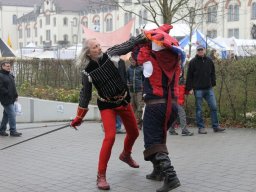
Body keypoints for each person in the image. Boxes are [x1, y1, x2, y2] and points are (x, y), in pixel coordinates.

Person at [70, 34, 147, 190]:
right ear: (88, 52)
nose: (99, 48)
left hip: (123, 100)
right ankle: (101, 176)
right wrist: (79, 117)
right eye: (94, 47)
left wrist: (141, 37)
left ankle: (125, 154)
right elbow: (85, 95)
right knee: (110, 137)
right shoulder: (87, 72)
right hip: (107, 106)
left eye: (98, 45)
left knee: (134, 133)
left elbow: (126, 45)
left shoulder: (110, 54)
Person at [133, 24, 185, 192]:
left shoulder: (149, 59)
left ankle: (171, 176)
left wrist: (141, 41)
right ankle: (158, 171)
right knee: (159, 138)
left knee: (153, 142)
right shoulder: (176, 59)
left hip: (155, 106)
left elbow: (136, 56)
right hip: (173, 107)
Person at [185, 45, 225, 134]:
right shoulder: (192, 62)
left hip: (208, 88)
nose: (200, 51)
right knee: (199, 109)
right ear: (197, 51)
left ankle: (216, 126)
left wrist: (213, 83)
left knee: (214, 107)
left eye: (201, 50)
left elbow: (213, 73)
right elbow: (189, 76)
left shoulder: (209, 61)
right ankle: (201, 128)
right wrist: (189, 88)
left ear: (205, 50)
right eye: (198, 50)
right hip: (198, 89)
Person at [0, 61, 22, 137]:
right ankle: (13, 131)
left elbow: (13, 86)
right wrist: (8, 93)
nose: (9, 67)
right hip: (5, 99)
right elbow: (1, 88)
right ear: (2, 66)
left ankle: (2, 130)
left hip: (12, 98)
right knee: (12, 114)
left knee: (6, 115)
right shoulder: (1, 75)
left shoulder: (10, 75)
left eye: (9, 66)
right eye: (7, 66)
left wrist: (16, 95)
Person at [169, 69, 194, 136]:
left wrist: (189, 92)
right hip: (174, 101)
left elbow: (184, 91)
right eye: (178, 71)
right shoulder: (172, 80)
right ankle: (184, 130)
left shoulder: (183, 81)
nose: (179, 73)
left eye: (181, 71)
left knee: (175, 116)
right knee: (182, 113)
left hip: (180, 101)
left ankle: (171, 129)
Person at [127, 56, 144, 129]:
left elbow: (144, 79)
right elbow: (126, 78)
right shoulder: (128, 69)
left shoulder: (141, 68)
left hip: (139, 90)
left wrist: (143, 85)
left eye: (134, 60)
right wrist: (127, 83)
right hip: (131, 90)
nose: (133, 61)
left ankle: (139, 122)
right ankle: (133, 123)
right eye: (131, 60)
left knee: (140, 106)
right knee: (132, 107)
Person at [116, 59, 127, 134]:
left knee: (120, 107)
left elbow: (124, 75)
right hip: (111, 87)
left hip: (121, 88)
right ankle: (116, 126)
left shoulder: (121, 62)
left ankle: (118, 126)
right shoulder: (107, 61)